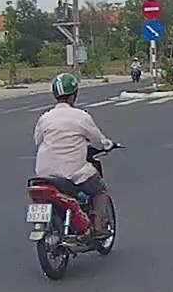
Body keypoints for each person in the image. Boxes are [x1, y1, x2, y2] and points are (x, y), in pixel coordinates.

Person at [34, 73, 114, 235]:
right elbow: (99, 141)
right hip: (71, 173)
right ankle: (98, 228)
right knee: (99, 190)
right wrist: (108, 145)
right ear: (74, 95)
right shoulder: (80, 117)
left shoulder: (45, 118)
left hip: (44, 173)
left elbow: (38, 140)